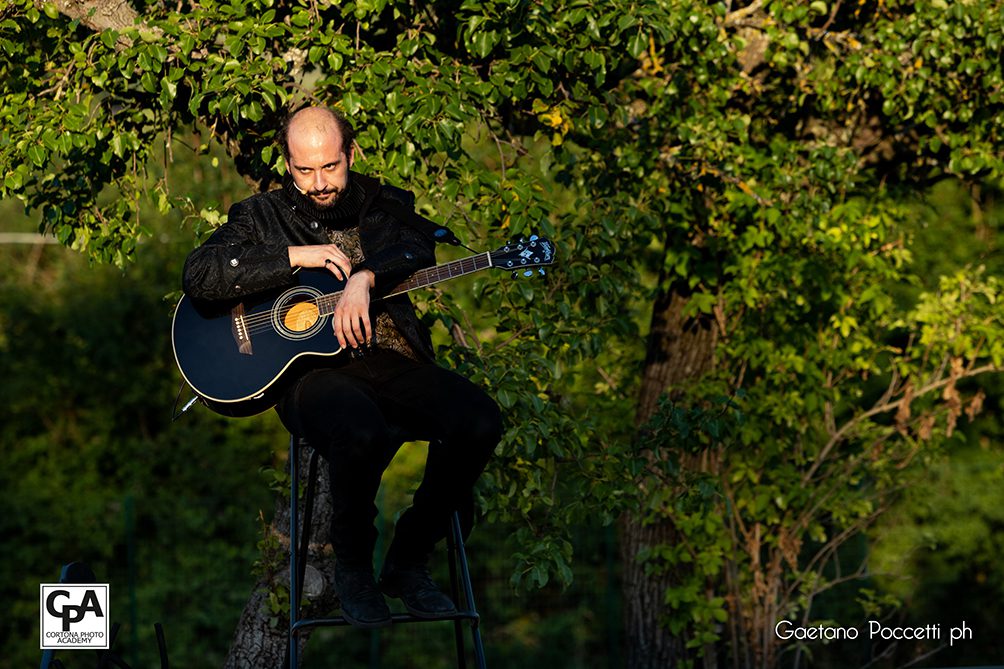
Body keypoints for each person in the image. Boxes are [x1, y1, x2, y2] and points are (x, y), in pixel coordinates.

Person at [182, 106, 502, 628]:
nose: (319, 183)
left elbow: (417, 245)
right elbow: (200, 274)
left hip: (387, 360)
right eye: (304, 170)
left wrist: (366, 276)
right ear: (288, 164)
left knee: (479, 419)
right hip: (309, 378)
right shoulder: (261, 215)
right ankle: (353, 565)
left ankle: (408, 559)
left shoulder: (386, 204)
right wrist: (295, 257)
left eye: (330, 167)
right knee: (359, 429)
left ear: (350, 155)